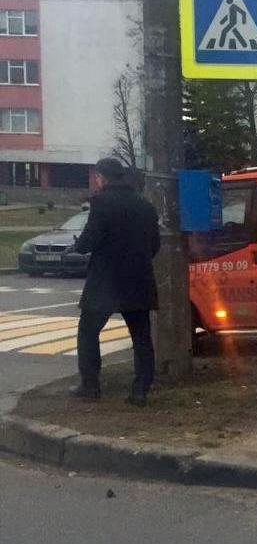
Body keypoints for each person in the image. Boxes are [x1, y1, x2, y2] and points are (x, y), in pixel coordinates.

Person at [72, 157, 160, 406]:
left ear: (102, 177)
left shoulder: (100, 202)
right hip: (139, 281)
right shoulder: (145, 205)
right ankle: (140, 390)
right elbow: (155, 245)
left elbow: (90, 239)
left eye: (97, 178)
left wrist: (78, 246)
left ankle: (90, 385)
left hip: (106, 282)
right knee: (141, 337)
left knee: (88, 331)